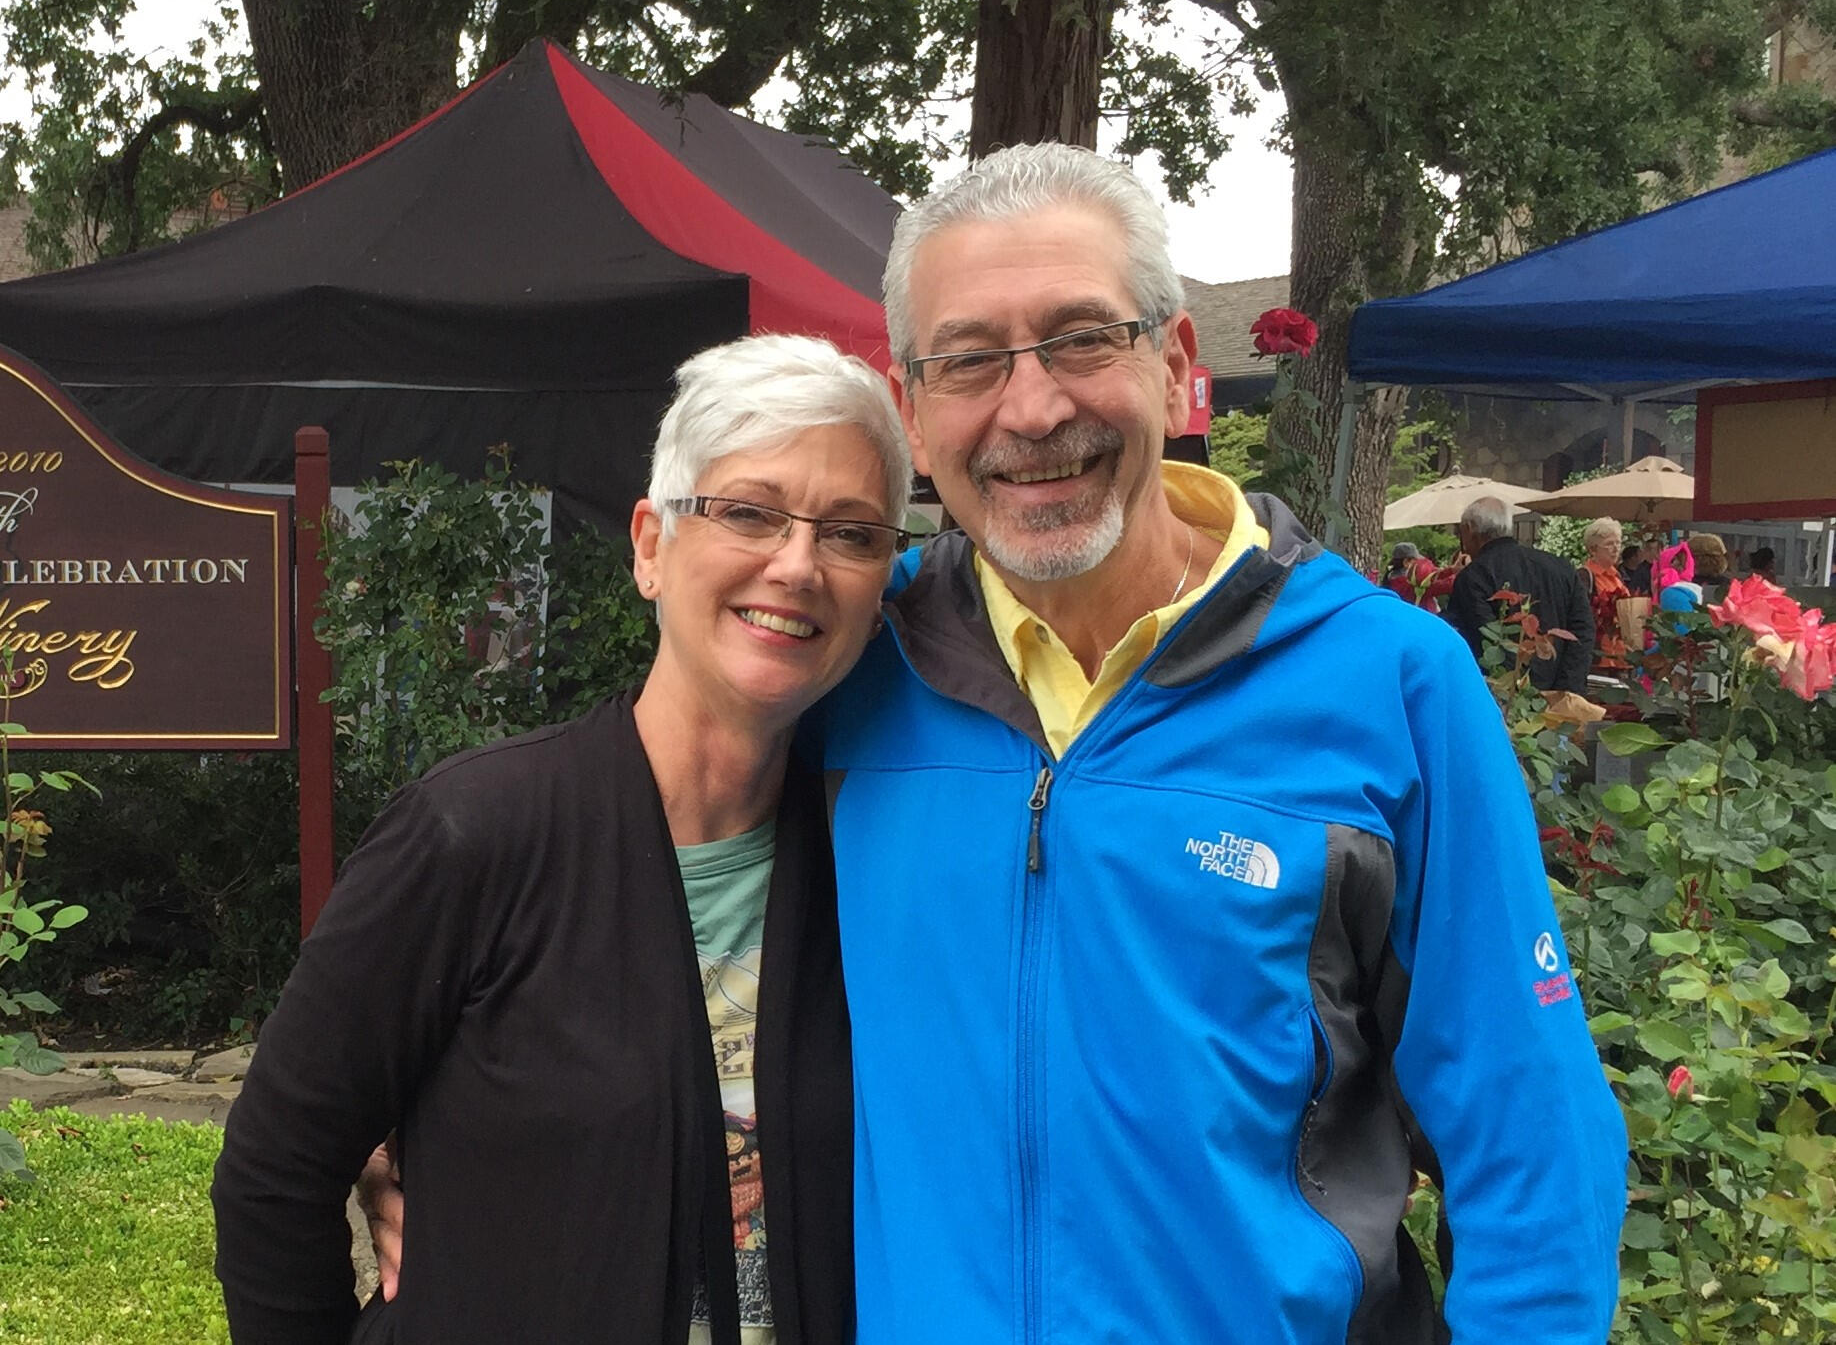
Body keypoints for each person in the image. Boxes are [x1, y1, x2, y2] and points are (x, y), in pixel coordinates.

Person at [371, 146, 1627, 1341]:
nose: (1031, 409)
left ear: (1178, 361)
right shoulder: (859, 659)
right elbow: (632, 858)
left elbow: (1534, 1154)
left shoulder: (1390, 687)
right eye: (969, 362)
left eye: (1083, 338)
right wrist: (414, 1105)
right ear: (915, 413)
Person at [213, 334, 913, 1344]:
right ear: (651, 544)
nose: (797, 564)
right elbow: (275, 1172)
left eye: (850, 533)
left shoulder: (880, 863)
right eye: (749, 511)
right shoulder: (475, 837)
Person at [1445, 496, 1595, 691]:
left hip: (1504, 699)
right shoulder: (1561, 568)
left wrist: (1518, 694)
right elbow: (1583, 631)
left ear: (1470, 529)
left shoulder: (1473, 577)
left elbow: (1485, 641)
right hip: (1560, 694)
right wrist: (1568, 688)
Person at [1577, 517, 1632, 675]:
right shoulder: (1585, 576)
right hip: (1597, 658)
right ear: (1593, 549)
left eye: (1618, 543)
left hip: (1621, 656)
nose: (1615, 549)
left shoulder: (1618, 577)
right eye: (1609, 544)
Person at [1382, 540, 1461, 613]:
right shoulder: (1411, 585)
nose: (1419, 564)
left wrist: (1452, 570)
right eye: (1416, 561)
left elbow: (1434, 575)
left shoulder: (1393, 579)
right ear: (1406, 562)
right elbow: (1443, 585)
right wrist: (1457, 572)